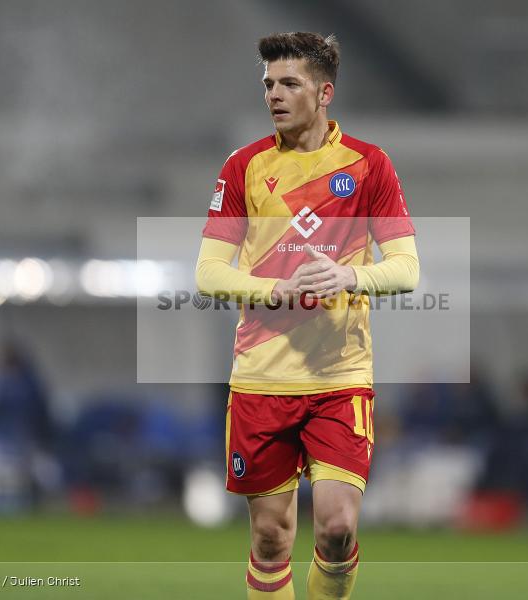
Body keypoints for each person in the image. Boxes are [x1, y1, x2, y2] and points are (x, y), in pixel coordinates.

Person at [195, 32, 418, 599]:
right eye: (268, 83)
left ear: (324, 93)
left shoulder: (369, 167)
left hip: (339, 379)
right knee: (271, 539)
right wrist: (274, 291)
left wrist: (352, 276)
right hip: (261, 379)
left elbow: (407, 268)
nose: (274, 93)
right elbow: (209, 273)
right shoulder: (243, 166)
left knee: (338, 528)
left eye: (289, 83)